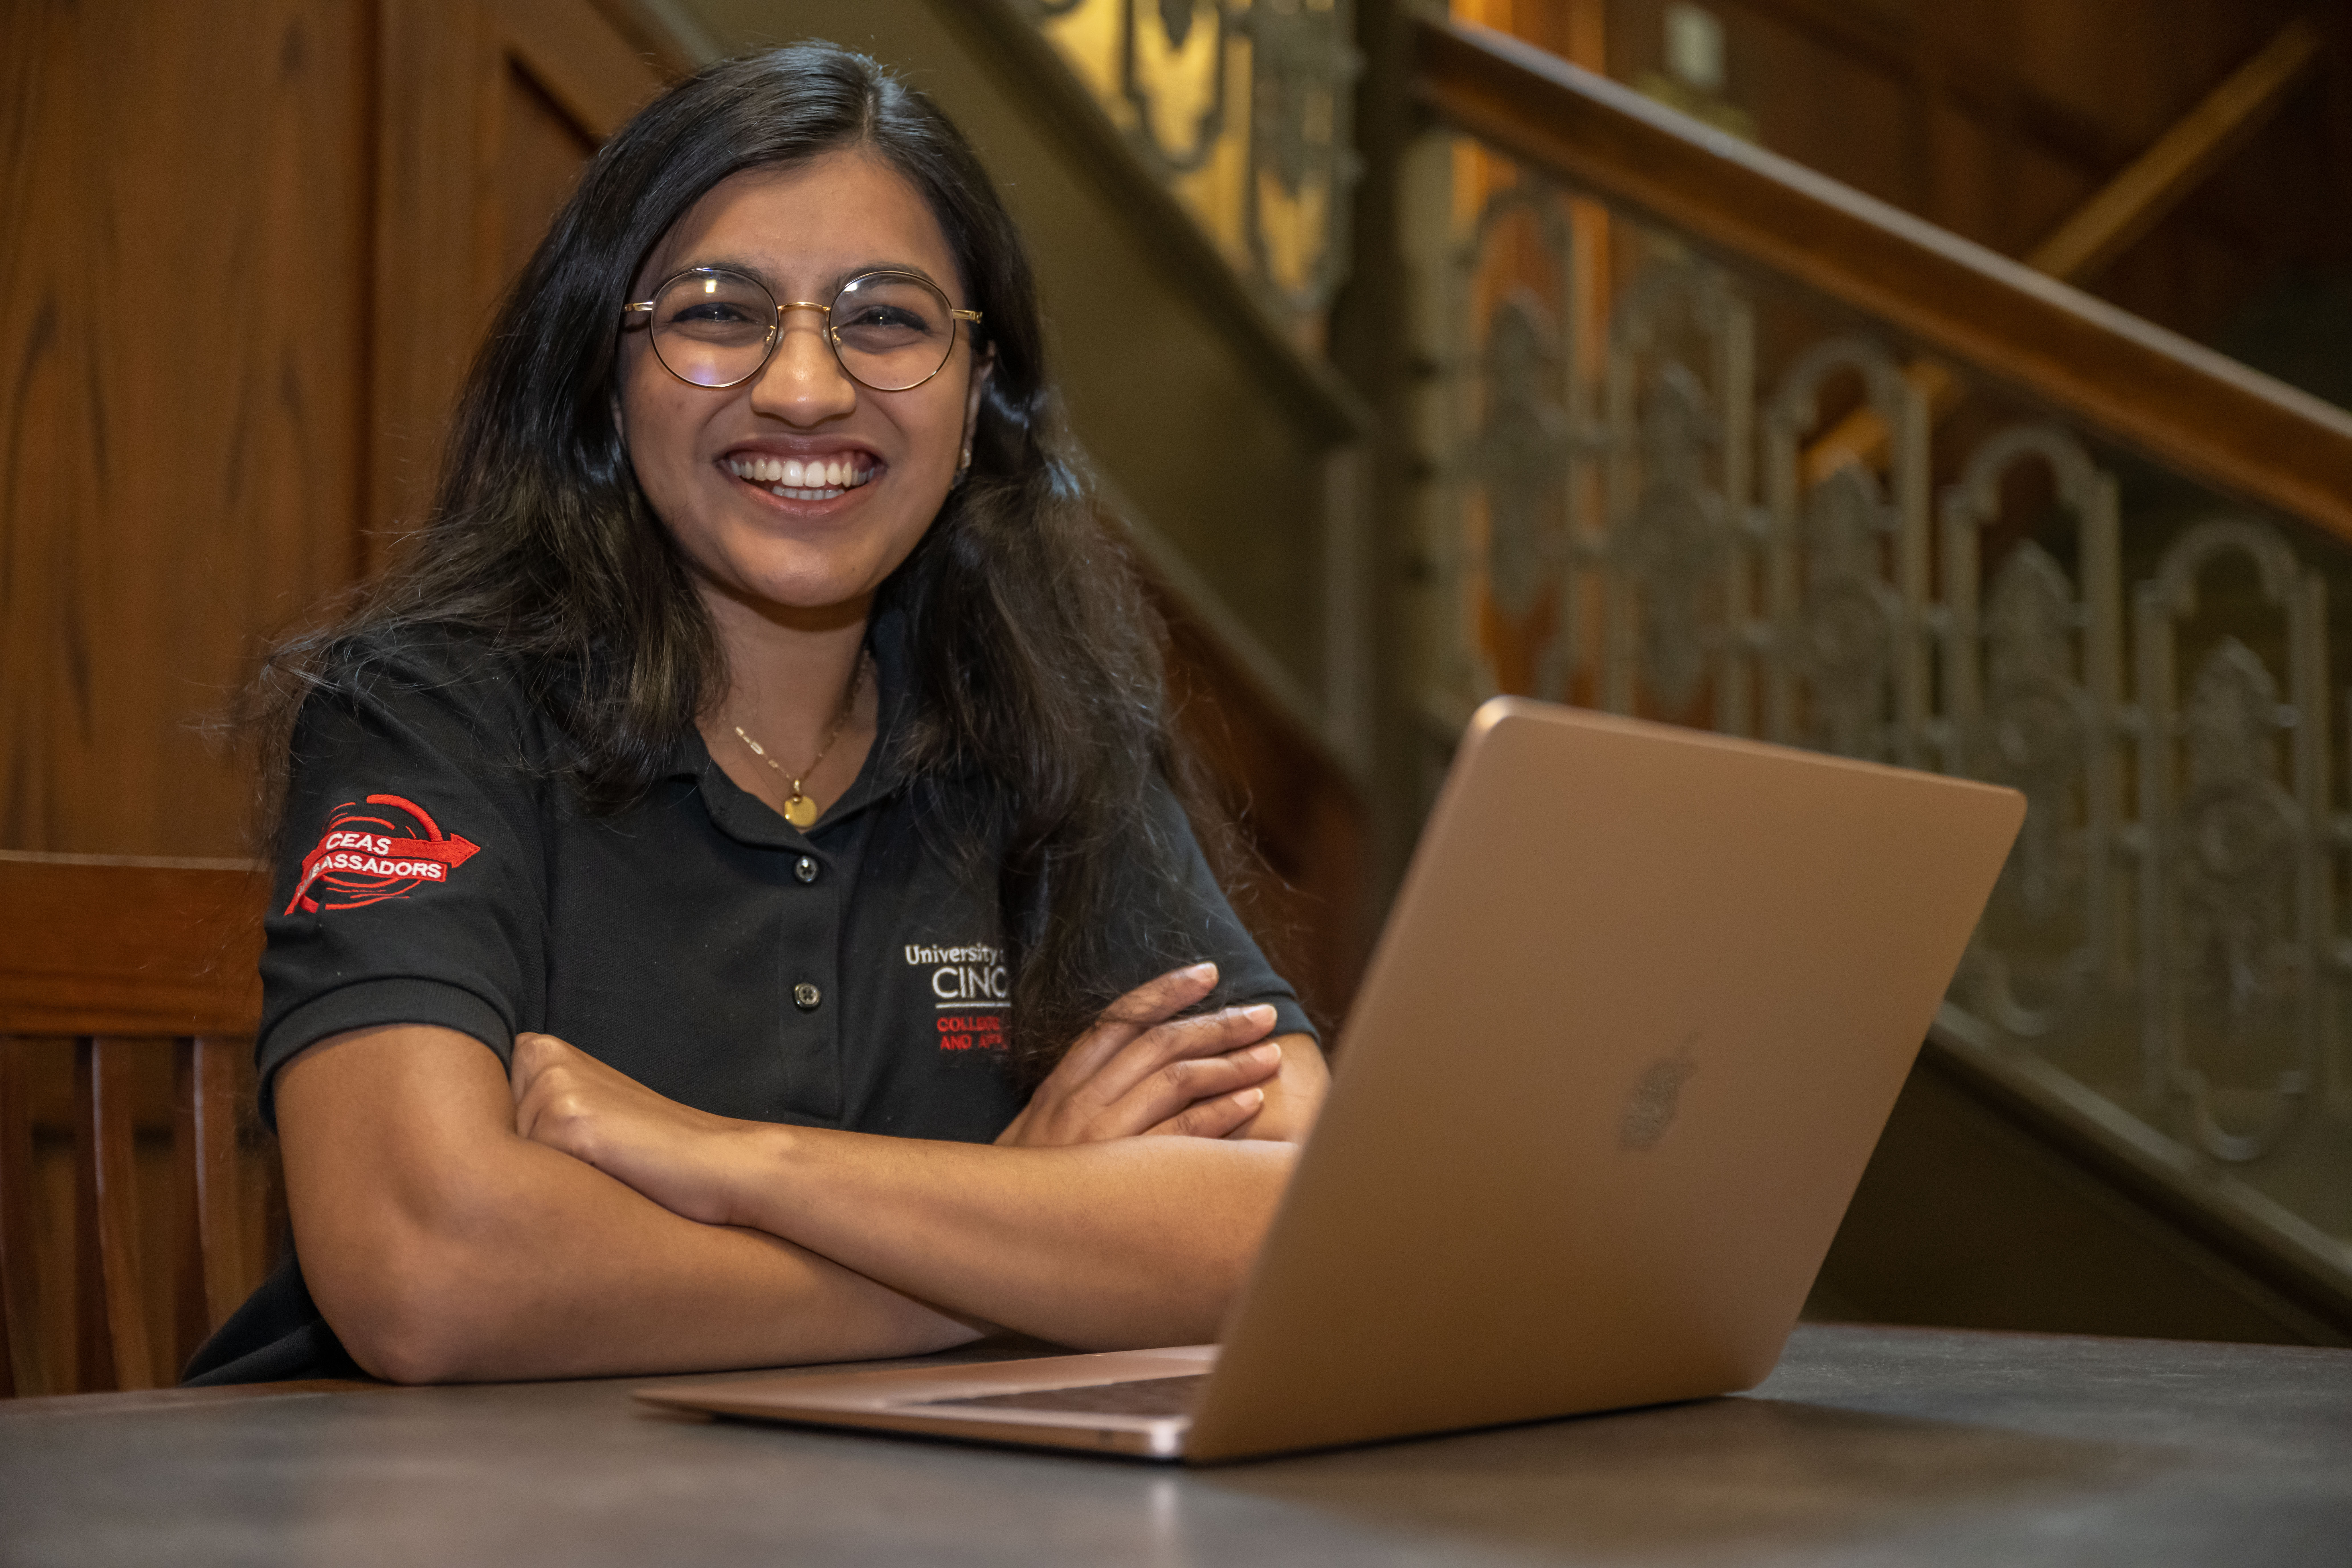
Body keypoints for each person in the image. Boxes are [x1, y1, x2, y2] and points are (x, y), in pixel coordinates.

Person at [184, 40, 1327, 1387]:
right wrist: (1006, 1236)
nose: (804, 387)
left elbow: (1306, 1213)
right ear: (605, 378)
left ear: (977, 399)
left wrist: (742, 1164)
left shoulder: (1046, 727)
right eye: (719, 312)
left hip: (907, 1487)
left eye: (886, 318)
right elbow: (428, 1270)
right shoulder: (427, 711)